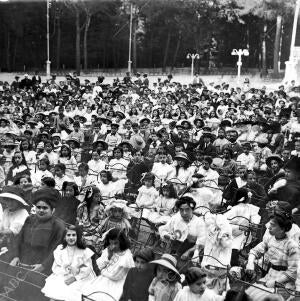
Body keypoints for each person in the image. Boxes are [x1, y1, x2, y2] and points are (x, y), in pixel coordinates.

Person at [245, 208, 298, 301]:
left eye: (272, 225)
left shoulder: (291, 245)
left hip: (285, 284)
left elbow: (293, 272)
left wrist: (275, 282)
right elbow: (254, 251)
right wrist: (250, 264)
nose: (269, 227)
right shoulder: (270, 239)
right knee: (248, 294)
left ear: (282, 229)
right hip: (269, 277)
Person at [10, 187, 65, 274]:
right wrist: (15, 256)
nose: (41, 210)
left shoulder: (58, 226)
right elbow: (19, 239)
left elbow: (57, 250)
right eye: (38, 207)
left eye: (45, 208)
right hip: (21, 262)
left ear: (52, 210)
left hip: (40, 267)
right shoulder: (30, 219)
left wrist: (43, 266)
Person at [41, 225, 96, 301]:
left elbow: (87, 268)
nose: (71, 238)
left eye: (74, 235)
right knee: (57, 290)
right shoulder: (60, 249)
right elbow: (56, 267)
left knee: (72, 293)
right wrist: (64, 270)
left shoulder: (84, 251)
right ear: (64, 237)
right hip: (63, 275)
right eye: (68, 235)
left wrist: (75, 277)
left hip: (80, 277)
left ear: (78, 236)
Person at [82, 228, 135, 301]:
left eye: (116, 243)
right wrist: (109, 256)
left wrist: (103, 272)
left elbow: (117, 276)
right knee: (87, 289)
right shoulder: (109, 250)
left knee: (102, 296)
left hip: (116, 283)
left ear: (122, 242)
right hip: (104, 277)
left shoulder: (126, 258)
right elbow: (100, 264)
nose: (113, 246)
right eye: (111, 243)